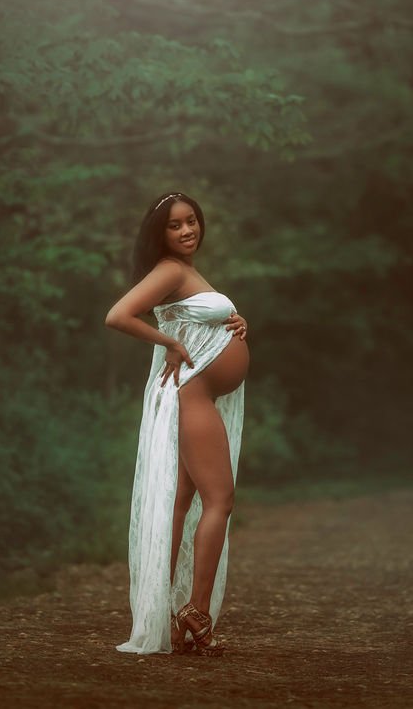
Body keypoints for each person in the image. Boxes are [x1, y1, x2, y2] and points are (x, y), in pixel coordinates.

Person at [105, 191, 249, 656]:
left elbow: (192, 316)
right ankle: (196, 612)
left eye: (191, 221)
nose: (188, 230)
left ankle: (167, 611)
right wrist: (168, 340)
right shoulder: (169, 269)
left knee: (181, 503)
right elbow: (118, 316)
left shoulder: (185, 272)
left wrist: (234, 320)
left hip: (200, 392)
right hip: (193, 395)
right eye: (175, 225)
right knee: (219, 501)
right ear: (160, 234)